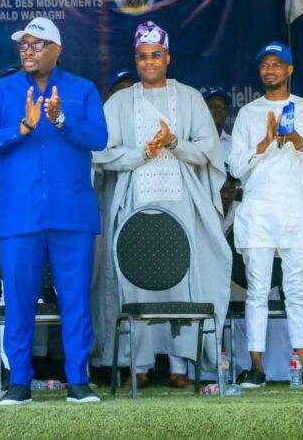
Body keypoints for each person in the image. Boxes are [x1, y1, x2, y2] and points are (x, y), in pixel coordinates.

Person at [0, 17, 107, 405]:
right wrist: (22, 126)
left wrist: (61, 120)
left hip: (72, 215)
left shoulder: (82, 89)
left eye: (37, 45)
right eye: (24, 45)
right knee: (18, 301)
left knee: (76, 300)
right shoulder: (2, 91)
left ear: (57, 50)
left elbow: (99, 138)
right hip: (19, 215)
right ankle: (19, 381)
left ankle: (78, 381)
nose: (28, 51)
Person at [92, 22, 230, 389]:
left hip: (182, 204)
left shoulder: (189, 97)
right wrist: (141, 154)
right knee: (133, 281)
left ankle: (180, 368)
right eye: (142, 56)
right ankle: (136, 365)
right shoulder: (120, 102)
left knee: (182, 282)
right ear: (135, 60)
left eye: (156, 55)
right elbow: (101, 152)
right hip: (134, 202)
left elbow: (208, 149)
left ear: (168, 57)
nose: (149, 61)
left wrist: (174, 143)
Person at [228, 41, 303, 388]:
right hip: (258, 212)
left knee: (296, 290)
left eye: (276, 64)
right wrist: (265, 141)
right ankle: (256, 367)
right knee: (257, 291)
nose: (269, 70)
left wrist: (296, 140)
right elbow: (236, 168)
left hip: (296, 212)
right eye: (264, 65)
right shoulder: (248, 113)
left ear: (289, 70)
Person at [203, 87, 232, 153]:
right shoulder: (192, 143)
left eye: (221, 106)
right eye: (211, 105)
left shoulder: (234, 144)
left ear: (227, 112)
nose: (218, 109)